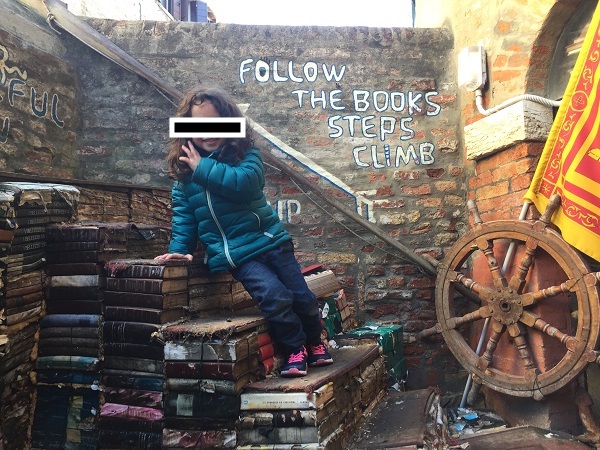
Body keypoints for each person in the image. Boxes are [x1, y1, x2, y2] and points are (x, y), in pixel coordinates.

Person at [155, 86, 333, 377]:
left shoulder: (245, 156)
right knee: (274, 298)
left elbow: (244, 184)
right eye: (198, 126)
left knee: (300, 296)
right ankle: (294, 348)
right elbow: (185, 219)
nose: (207, 132)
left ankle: (315, 343)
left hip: (270, 241)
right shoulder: (185, 177)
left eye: (216, 124)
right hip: (238, 255)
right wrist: (181, 250)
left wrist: (203, 168)